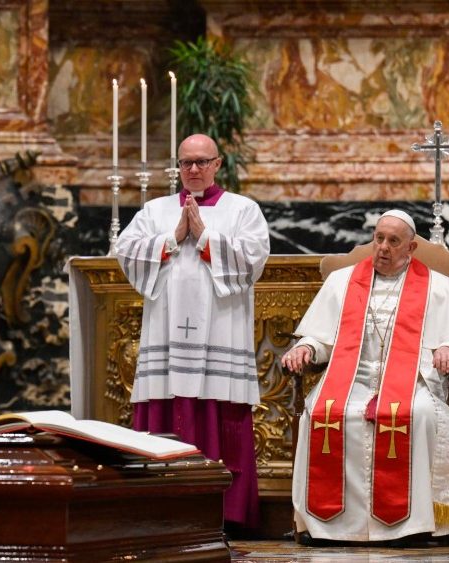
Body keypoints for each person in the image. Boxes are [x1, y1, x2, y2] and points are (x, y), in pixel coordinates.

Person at [281, 210, 449, 544]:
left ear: (411, 248)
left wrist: (448, 349)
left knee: (419, 414)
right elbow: (321, 338)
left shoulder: (437, 287)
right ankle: (325, 524)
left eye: (393, 241)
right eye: (378, 238)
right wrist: (306, 348)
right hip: (350, 380)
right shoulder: (342, 282)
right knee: (321, 412)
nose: (382, 247)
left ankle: (410, 525)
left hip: (411, 382)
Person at [114, 133, 270, 535]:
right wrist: (172, 238)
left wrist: (203, 236)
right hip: (166, 337)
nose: (194, 170)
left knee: (220, 415)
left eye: (203, 162)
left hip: (221, 333)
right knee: (166, 412)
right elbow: (126, 251)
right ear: (177, 167)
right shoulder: (155, 210)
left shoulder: (243, 210)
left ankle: (227, 515)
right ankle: (159, 513)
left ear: (219, 164)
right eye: (186, 163)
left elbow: (253, 260)